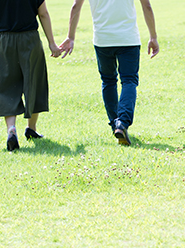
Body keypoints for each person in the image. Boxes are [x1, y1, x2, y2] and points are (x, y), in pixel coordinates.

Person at [59, 0, 159, 146]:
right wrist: (153, 37)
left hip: (103, 40)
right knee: (129, 81)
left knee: (108, 81)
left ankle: (115, 125)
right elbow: (147, 6)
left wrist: (71, 37)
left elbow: (76, 7)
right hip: (128, 39)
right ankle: (122, 123)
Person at [0, 0, 62, 151]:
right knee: (33, 82)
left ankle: (11, 129)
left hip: (4, 39)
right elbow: (43, 14)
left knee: (7, 85)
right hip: (29, 39)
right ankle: (31, 128)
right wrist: (52, 43)